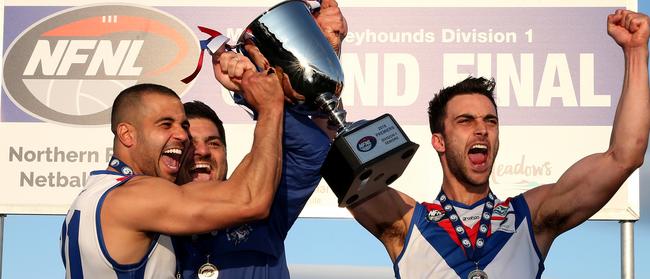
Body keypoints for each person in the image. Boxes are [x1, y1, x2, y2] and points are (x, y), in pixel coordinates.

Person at [349, 9, 650, 278]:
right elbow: (340, 163)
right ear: (439, 141)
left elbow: (625, 156)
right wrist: (328, 55)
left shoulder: (530, 219)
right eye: (465, 121)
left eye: (490, 121)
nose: (482, 129)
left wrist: (636, 52)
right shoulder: (407, 222)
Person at [60, 65, 287, 278]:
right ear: (127, 134)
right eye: (165, 124)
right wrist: (269, 107)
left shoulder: (89, 198)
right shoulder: (136, 196)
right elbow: (250, 200)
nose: (182, 135)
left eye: (183, 126)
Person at [173, 1, 347, 278]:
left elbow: (312, 152)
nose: (202, 152)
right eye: (189, 145)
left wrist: (256, 95)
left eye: (214, 143)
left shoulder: (263, 207)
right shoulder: (154, 221)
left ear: (227, 154)